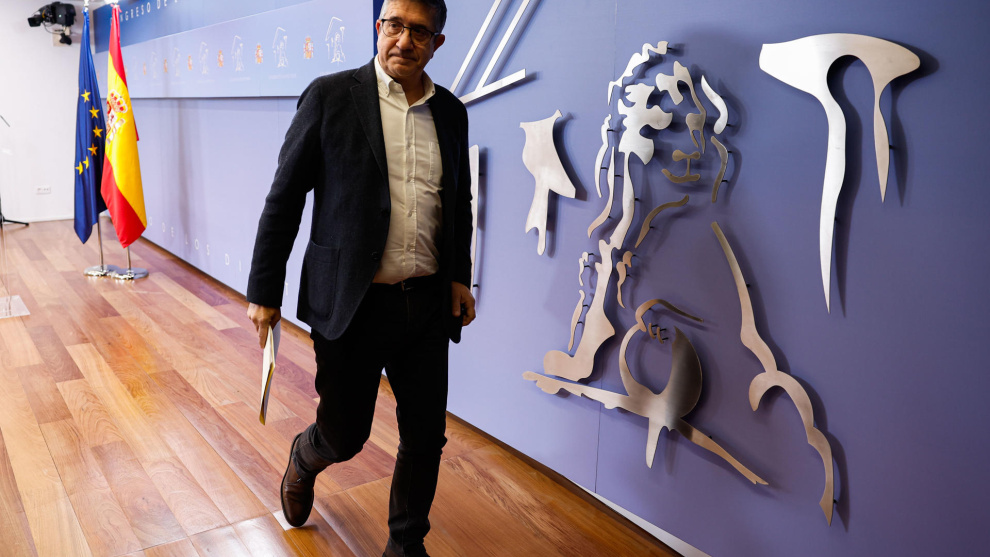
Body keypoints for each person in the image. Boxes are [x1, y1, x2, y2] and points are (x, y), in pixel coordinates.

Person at [245, 1, 474, 555]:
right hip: (351, 303)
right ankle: (306, 456)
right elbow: (284, 197)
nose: (404, 40)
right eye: (395, 25)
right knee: (345, 435)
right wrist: (264, 291)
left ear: (437, 43)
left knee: (426, 435)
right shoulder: (331, 96)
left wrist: (459, 277)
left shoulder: (450, 112)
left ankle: (405, 544)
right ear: (379, 28)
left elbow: (459, 202)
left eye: (419, 31)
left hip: (425, 302)